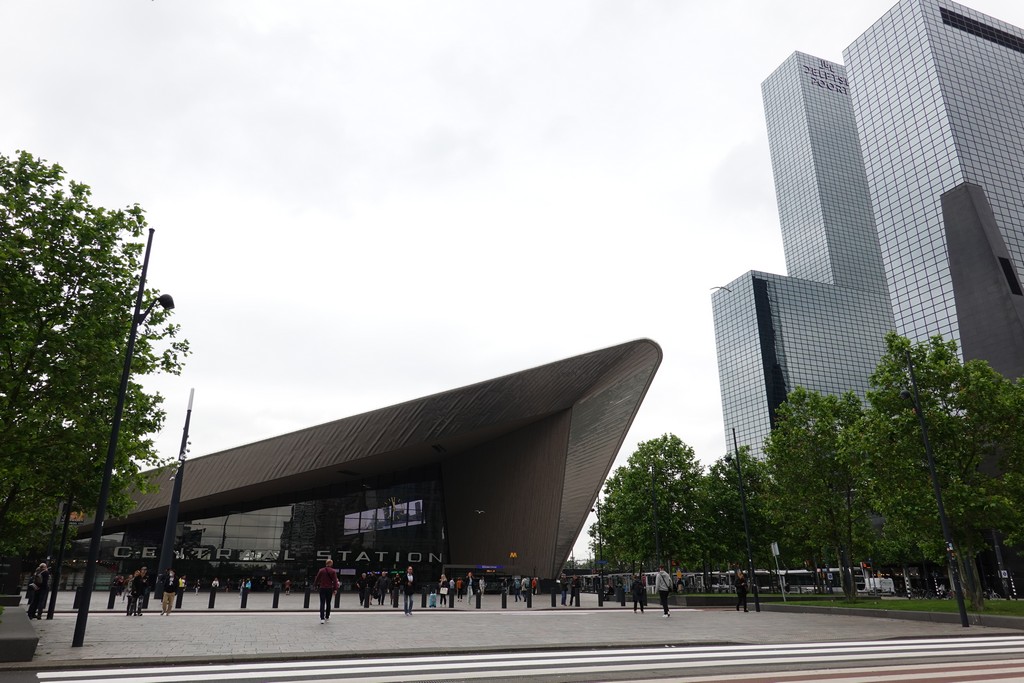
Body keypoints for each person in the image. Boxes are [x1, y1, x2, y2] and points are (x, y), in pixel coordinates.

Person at [313, 558, 340, 624]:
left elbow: (317, 579)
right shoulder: (333, 571)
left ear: (326, 563)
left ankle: (322, 618)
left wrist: (315, 585)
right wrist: (335, 589)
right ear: (331, 564)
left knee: (322, 603)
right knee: (328, 603)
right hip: (329, 588)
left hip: (322, 588)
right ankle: (327, 616)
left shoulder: (321, 570)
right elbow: (335, 581)